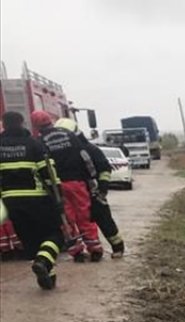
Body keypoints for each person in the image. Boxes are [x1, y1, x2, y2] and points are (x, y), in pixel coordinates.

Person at [0, 111, 64, 290]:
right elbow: (49, 173)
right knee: (55, 234)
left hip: (11, 203)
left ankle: (47, 277)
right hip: (38, 199)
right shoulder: (34, 144)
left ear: (4, 125)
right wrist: (58, 196)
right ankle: (43, 261)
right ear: (22, 123)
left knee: (33, 242)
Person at [32, 110, 97, 261]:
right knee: (84, 214)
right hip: (77, 182)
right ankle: (95, 248)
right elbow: (85, 157)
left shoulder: (40, 141)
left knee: (66, 219)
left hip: (58, 186)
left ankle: (77, 252)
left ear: (35, 126)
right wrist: (91, 177)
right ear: (50, 120)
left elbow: (42, 167)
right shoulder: (69, 134)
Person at [61, 119, 124, 258]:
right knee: (70, 221)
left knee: (103, 219)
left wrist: (102, 190)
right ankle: (80, 251)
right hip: (75, 192)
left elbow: (105, 169)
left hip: (93, 190)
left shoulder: (89, 149)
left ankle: (117, 247)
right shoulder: (62, 152)